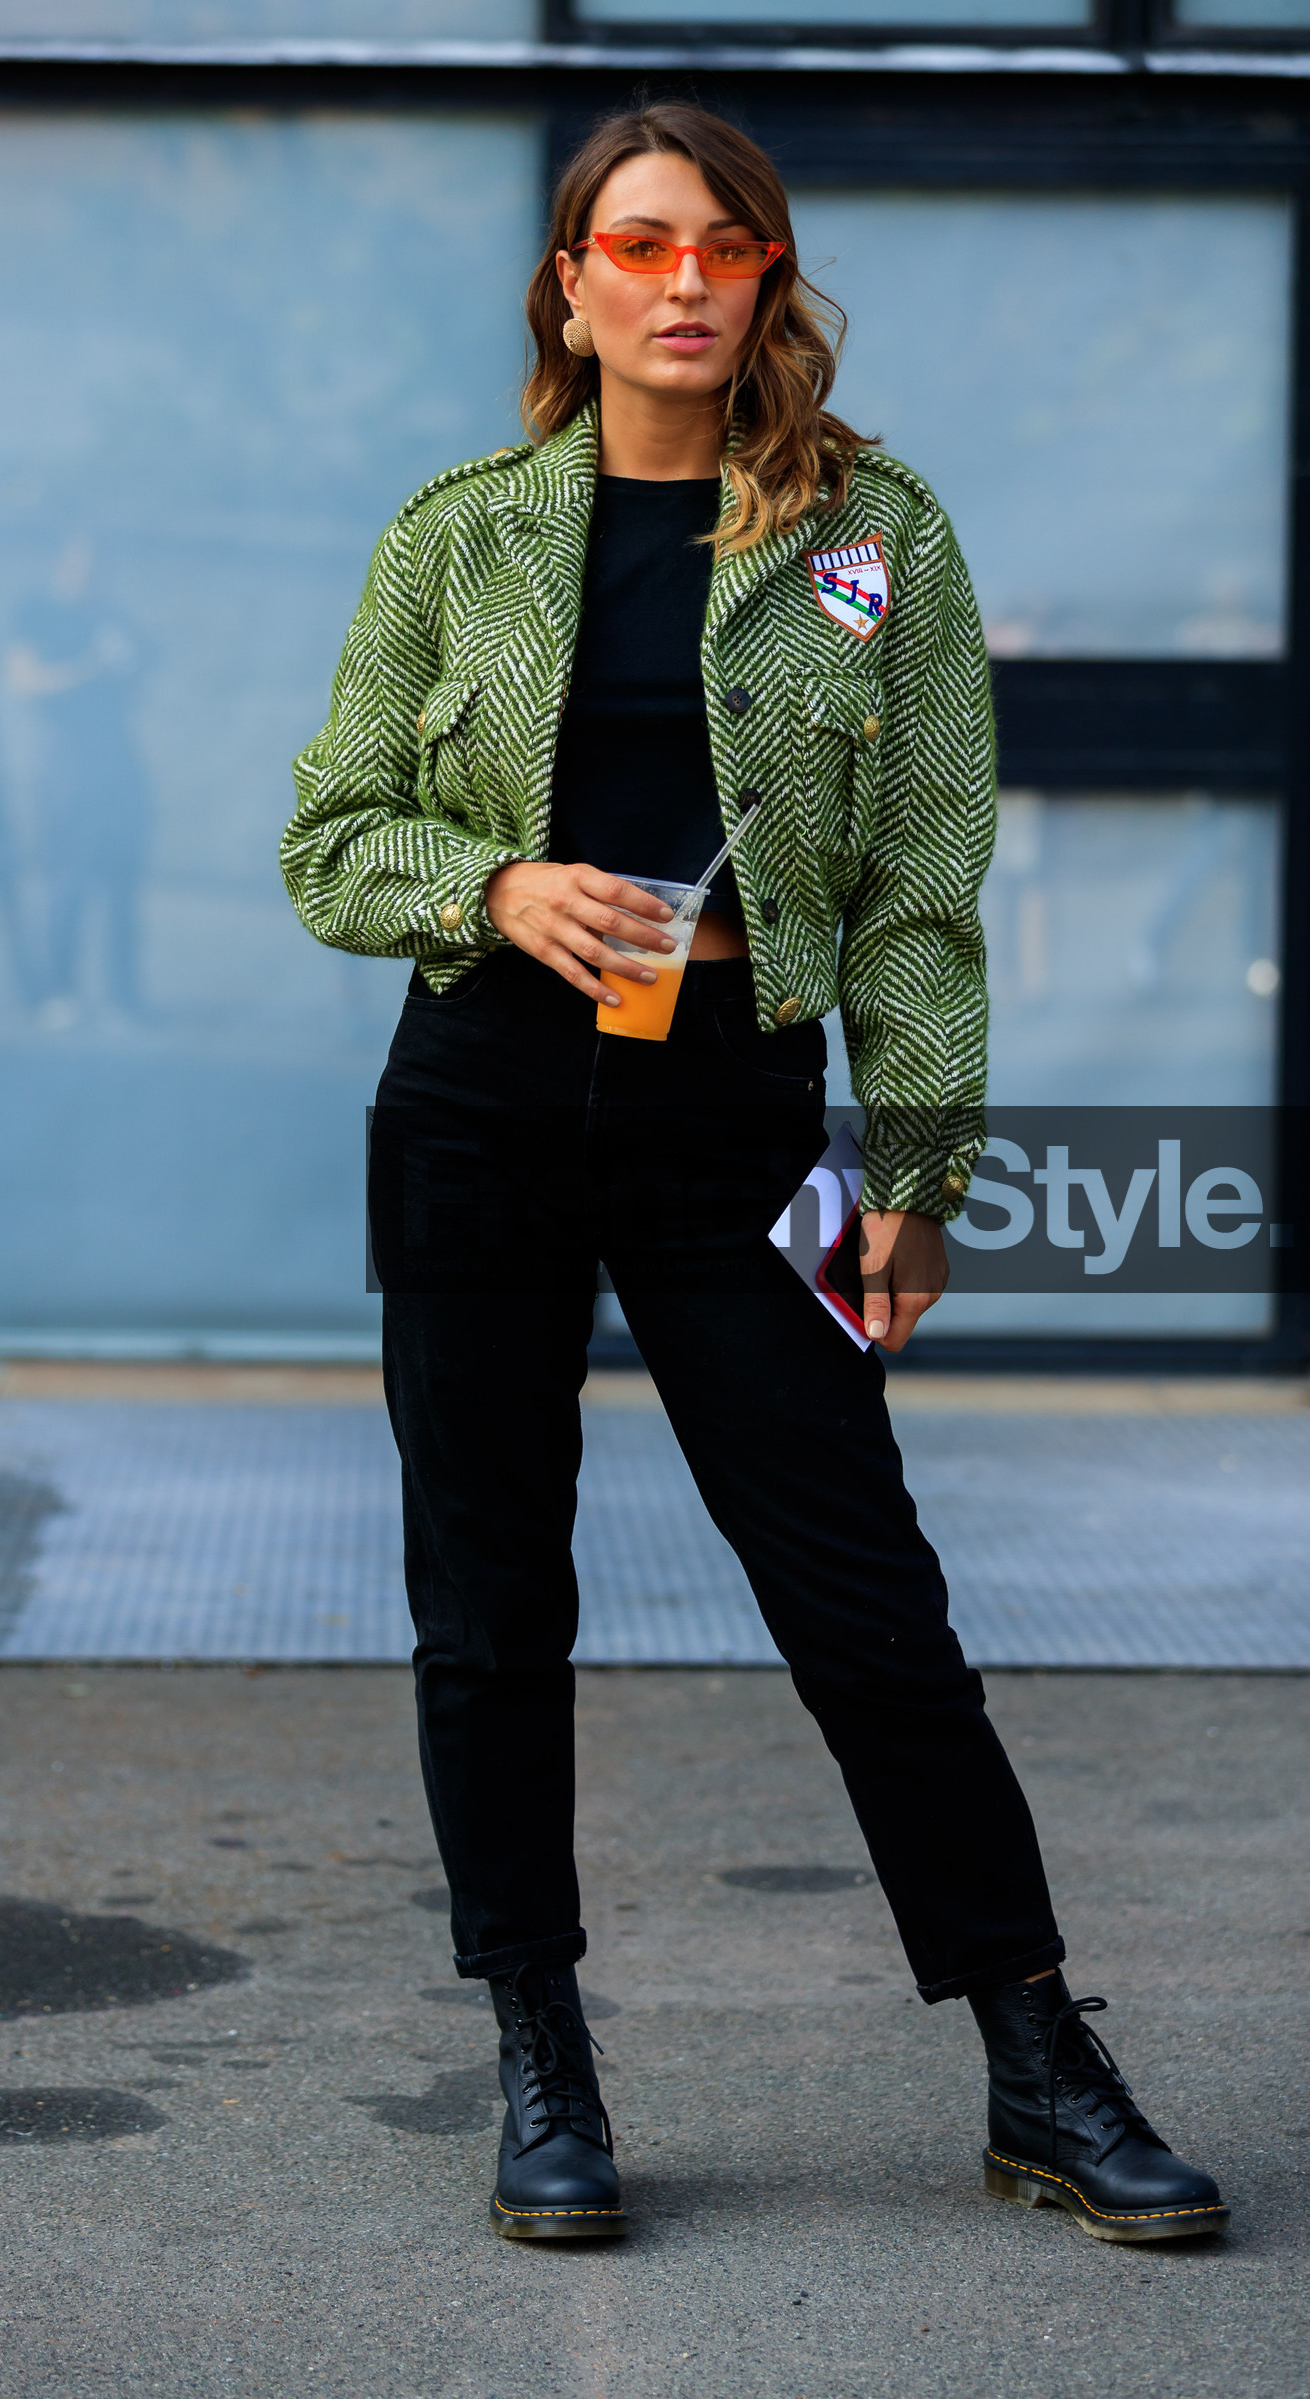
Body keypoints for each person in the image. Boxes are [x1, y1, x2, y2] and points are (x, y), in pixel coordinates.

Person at [281, 103, 1226, 2248]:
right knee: (488, 1607)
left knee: (866, 1603)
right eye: (639, 245)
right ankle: (537, 2053)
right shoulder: (457, 536)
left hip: (742, 1123)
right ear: (569, 285)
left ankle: (1033, 2057)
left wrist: (920, 1159)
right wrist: (490, 879)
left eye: (725, 245)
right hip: (477, 1111)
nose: (684, 280)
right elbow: (327, 839)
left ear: (769, 275)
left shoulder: (864, 532)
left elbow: (918, 885)